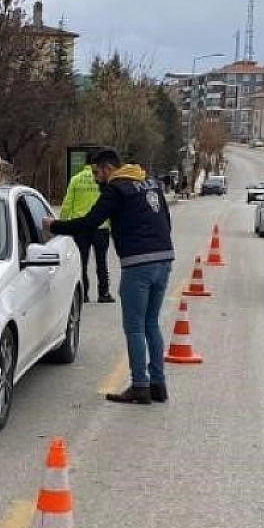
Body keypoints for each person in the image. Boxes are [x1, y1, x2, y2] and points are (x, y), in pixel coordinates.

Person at [45, 148, 175, 405]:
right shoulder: (148, 183)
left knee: (135, 326)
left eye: (96, 173)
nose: (95, 178)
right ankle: (158, 385)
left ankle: (140, 386)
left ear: (107, 168)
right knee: (151, 323)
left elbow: (90, 222)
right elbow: (166, 221)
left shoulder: (117, 189)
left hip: (138, 264)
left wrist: (54, 226)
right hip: (164, 259)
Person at [58, 161, 114, 304]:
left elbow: (67, 204)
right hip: (101, 227)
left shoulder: (76, 179)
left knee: (82, 262)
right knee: (102, 262)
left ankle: (84, 294)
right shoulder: (103, 179)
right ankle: (104, 293)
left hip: (80, 227)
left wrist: (62, 225)